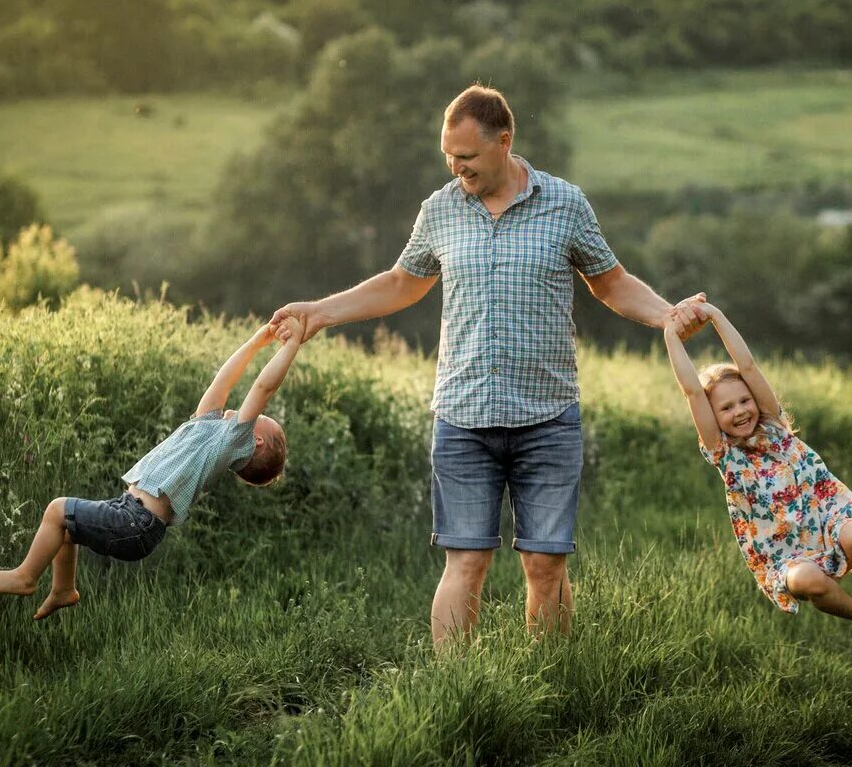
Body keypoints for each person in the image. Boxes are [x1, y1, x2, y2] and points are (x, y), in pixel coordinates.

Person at [270, 84, 707, 646]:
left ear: (504, 142)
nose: (458, 169)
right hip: (463, 417)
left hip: (548, 418)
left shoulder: (565, 204)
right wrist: (318, 313)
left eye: (468, 157)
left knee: (545, 566)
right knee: (466, 563)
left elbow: (611, 283)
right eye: (449, 157)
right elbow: (402, 284)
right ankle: (458, 694)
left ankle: (550, 686)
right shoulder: (441, 210)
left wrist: (667, 316)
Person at [0, 316, 305, 620]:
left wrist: (291, 344)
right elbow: (223, 381)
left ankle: (26, 577)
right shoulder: (209, 427)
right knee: (66, 527)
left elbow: (264, 387)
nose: (254, 413)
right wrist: (255, 343)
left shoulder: (232, 441)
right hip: (130, 512)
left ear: (255, 441)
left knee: (57, 509)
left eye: (262, 419)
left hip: (137, 523)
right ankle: (63, 590)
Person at [662, 299, 852, 625]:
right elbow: (693, 392)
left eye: (744, 400)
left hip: (829, 525)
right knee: (809, 582)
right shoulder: (725, 454)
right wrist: (671, 333)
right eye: (726, 408)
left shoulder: (774, 428)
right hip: (787, 558)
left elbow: (748, 366)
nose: (739, 411)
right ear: (712, 417)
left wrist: (715, 316)